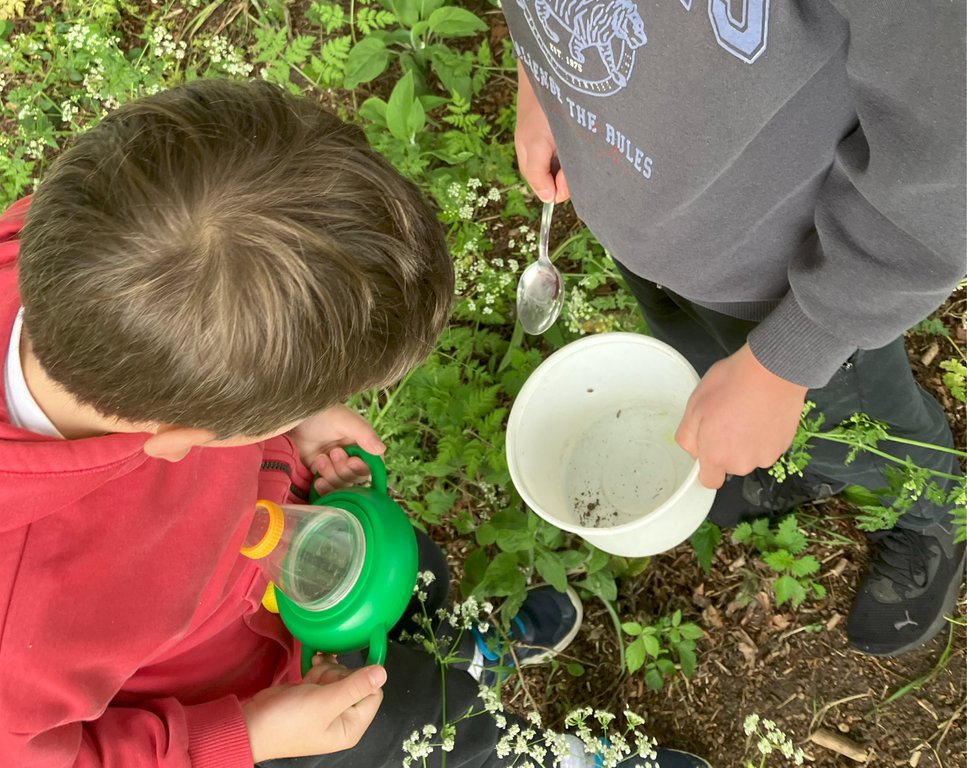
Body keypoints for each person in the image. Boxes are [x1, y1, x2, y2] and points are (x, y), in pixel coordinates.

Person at [63, 0, 965, 658]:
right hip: (656, 211)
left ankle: (925, 510)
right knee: (703, 364)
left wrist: (788, 359)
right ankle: (766, 441)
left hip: (798, 251)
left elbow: (947, 148)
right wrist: (544, 64)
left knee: (845, 407)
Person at [0, 78, 710, 768]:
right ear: (186, 439)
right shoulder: (19, 622)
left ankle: (458, 651)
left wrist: (292, 415)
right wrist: (241, 739)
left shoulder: (103, 226)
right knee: (427, 738)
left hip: (303, 557)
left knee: (419, 578)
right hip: (264, 698)